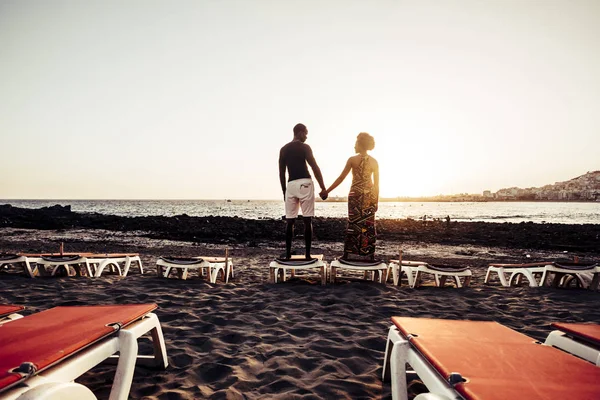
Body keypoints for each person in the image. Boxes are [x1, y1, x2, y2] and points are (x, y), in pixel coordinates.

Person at [320, 132, 379, 261]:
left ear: (360, 144)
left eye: (355, 143)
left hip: (355, 196)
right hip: (369, 197)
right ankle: (370, 255)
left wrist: (327, 191)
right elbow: (376, 185)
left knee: (353, 225)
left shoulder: (352, 160)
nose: (354, 146)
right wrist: (376, 201)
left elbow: (341, 178)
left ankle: (347, 255)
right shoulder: (374, 162)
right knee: (368, 225)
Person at [279, 123, 327, 260]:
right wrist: (323, 187)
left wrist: (284, 191)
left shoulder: (283, 149)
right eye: (305, 133)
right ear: (300, 132)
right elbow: (314, 167)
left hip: (291, 184)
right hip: (305, 182)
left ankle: (288, 254)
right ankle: (307, 255)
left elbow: (281, 173)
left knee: (290, 221)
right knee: (307, 220)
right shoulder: (305, 147)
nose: (306, 136)